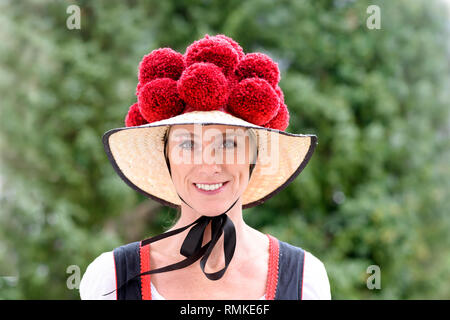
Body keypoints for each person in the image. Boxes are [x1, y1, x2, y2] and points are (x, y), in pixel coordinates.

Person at [79, 34, 331, 300]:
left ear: (253, 157)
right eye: (188, 144)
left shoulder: (304, 279)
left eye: (229, 144)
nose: (209, 164)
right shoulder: (112, 279)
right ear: (166, 157)